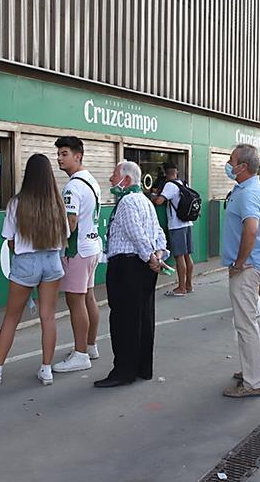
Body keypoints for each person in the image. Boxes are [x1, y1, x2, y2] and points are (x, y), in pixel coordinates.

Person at [0, 154, 70, 387]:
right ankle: (47, 370)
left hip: (25, 262)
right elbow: (65, 237)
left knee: (11, 318)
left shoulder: (16, 203)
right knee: (48, 317)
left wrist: (21, 249)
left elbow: (9, 240)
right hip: (52, 262)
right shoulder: (57, 202)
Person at [94, 161, 169, 388]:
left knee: (124, 321)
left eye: (114, 174)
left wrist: (152, 258)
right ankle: (141, 368)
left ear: (126, 180)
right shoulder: (145, 201)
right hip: (143, 267)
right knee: (143, 319)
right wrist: (156, 255)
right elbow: (158, 234)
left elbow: (136, 234)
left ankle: (123, 372)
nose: (110, 179)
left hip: (127, 268)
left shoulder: (127, 202)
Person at [220, 144, 260, 398]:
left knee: (245, 324)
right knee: (250, 320)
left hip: (247, 268)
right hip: (252, 265)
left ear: (242, 166)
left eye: (231, 161)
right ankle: (256, 369)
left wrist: (239, 263)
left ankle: (252, 383)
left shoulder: (249, 193)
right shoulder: (250, 189)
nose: (228, 165)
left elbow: (251, 230)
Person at [51, 136, 103, 374]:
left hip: (77, 251)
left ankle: (80, 353)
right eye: (58, 154)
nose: (59, 158)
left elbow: (70, 223)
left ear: (77, 156)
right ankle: (90, 346)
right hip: (92, 248)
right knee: (88, 297)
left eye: (64, 154)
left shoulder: (73, 186)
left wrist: (52, 240)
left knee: (75, 301)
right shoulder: (91, 179)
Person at [153, 162, 195, 297]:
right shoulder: (183, 183)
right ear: (176, 171)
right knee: (188, 255)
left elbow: (159, 201)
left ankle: (181, 287)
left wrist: (153, 197)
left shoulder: (170, 185)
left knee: (179, 257)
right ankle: (189, 285)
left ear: (165, 173)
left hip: (176, 225)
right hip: (187, 223)